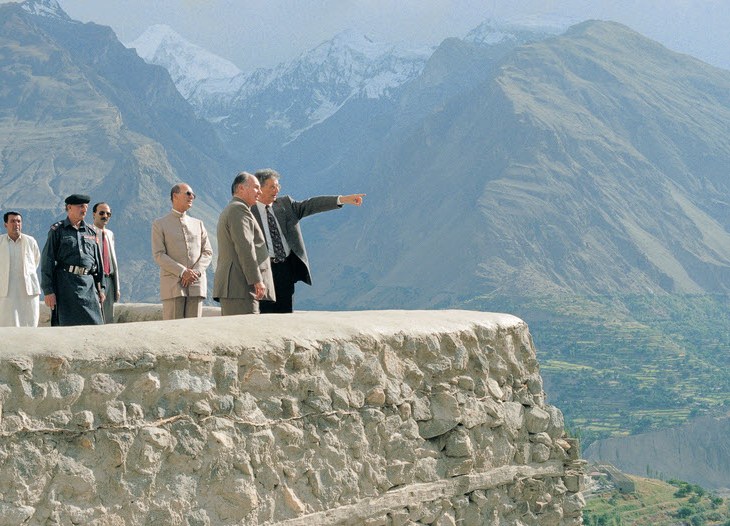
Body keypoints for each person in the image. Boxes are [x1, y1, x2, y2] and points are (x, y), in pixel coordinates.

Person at [252, 168, 365, 313]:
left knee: (285, 313)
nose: (277, 190)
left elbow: (311, 205)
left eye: (278, 186)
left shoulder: (285, 204)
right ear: (260, 189)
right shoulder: (249, 212)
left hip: (286, 268)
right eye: (272, 187)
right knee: (265, 313)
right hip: (263, 270)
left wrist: (342, 199)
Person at [213, 172, 274, 315]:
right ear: (241, 188)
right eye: (256, 187)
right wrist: (256, 280)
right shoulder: (238, 209)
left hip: (238, 287)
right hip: (240, 287)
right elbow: (245, 247)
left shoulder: (236, 208)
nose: (260, 192)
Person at [41, 194, 105, 326]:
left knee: (95, 326)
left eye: (86, 207)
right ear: (69, 207)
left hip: (88, 286)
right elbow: (47, 260)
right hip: (65, 286)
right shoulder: (57, 230)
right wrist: (48, 291)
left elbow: (98, 263)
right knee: (66, 327)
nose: (84, 210)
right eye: (81, 206)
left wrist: (101, 289)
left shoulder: (91, 232)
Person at [151, 183, 213, 320]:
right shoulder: (160, 224)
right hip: (173, 285)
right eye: (188, 193)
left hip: (196, 284)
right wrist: (183, 271)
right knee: (173, 328)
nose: (192, 197)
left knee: (194, 329)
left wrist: (195, 272)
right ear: (175, 196)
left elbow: (208, 252)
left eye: (193, 195)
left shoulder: (198, 223)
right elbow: (159, 254)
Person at [0, 211, 41, 327]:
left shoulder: (30, 241)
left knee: (29, 323)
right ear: (6, 224)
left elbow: (36, 260)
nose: (16, 224)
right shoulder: (1, 242)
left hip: (27, 289)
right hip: (6, 290)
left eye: (18, 221)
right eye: (12, 221)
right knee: (6, 324)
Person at [92, 202, 120, 323]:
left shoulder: (110, 234)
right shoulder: (88, 232)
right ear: (94, 214)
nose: (105, 216)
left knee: (109, 317)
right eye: (102, 213)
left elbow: (113, 260)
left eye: (108, 214)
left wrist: (117, 287)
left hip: (110, 280)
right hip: (97, 280)